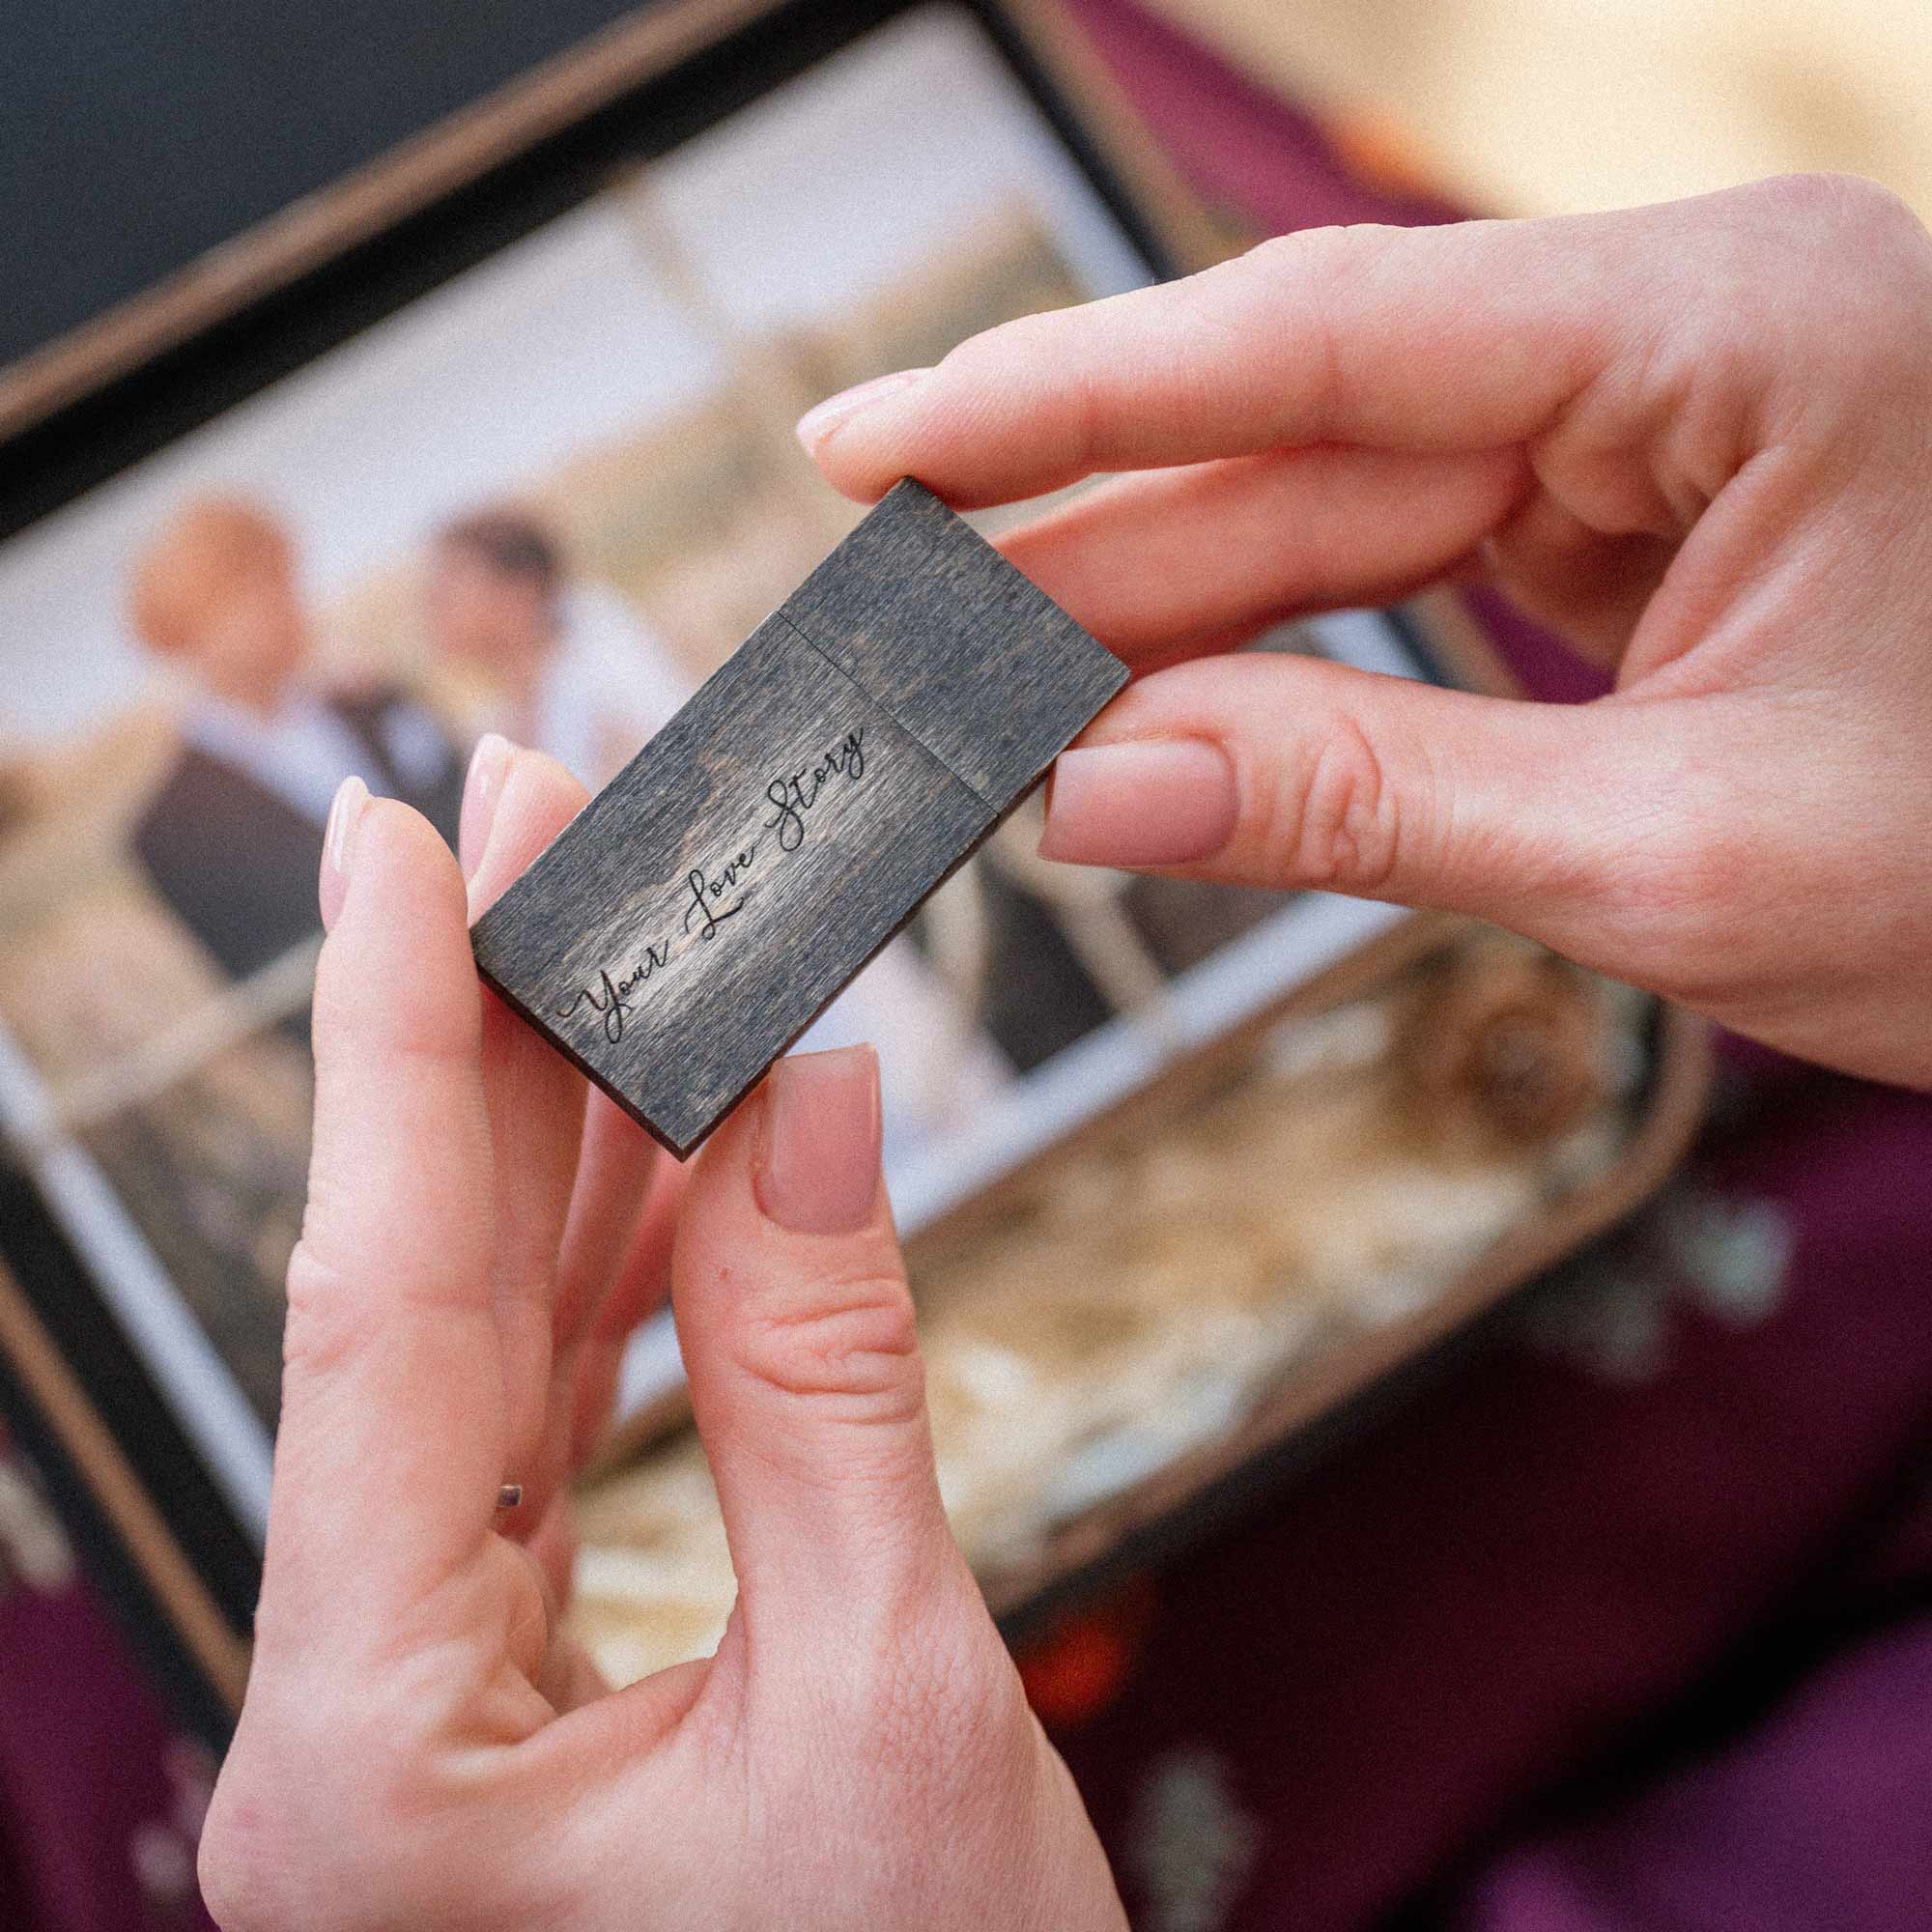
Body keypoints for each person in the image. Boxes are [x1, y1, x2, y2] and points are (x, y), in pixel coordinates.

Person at [200, 176, 1932, 1928]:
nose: (441, 610)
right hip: (728, 957)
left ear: (513, 580)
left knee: (873, 1096)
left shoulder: (600, 665)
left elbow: (734, 801)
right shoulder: (498, 705)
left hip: (778, 944)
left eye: (456, 582)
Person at [128, 496, 465, 988]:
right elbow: (271, 982)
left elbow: (466, 812)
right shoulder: (169, 830)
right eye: (250, 593)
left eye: (282, 579)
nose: (284, 605)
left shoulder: (372, 702)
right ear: (190, 630)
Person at [426, 506, 689, 789]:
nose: (433, 600)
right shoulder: (497, 724)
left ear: (521, 586)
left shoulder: (599, 676)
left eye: (451, 581)